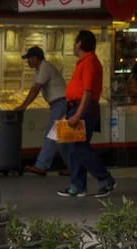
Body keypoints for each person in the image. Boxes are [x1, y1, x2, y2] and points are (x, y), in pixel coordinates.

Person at [57, 30, 116, 199]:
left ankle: (105, 179)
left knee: (79, 147)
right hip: (76, 107)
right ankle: (77, 186)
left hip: (83, 109)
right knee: (74, 148)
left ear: (80, 44)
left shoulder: (89, 62)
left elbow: (87, 91)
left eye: (74, 42)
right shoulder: (83, 62)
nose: (73, 46)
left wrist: (77, 114)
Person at [15, 46, 69, 176]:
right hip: (58, 104)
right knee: (62, 138)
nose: (27, 61)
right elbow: (34, 88)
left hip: (60, 103)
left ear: (35, 58)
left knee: (51, 134)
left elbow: (36, 89)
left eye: (29, 59)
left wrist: (23, 106)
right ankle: (73, 166)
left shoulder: (45, 67)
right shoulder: (39, 70)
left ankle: (41, 165)